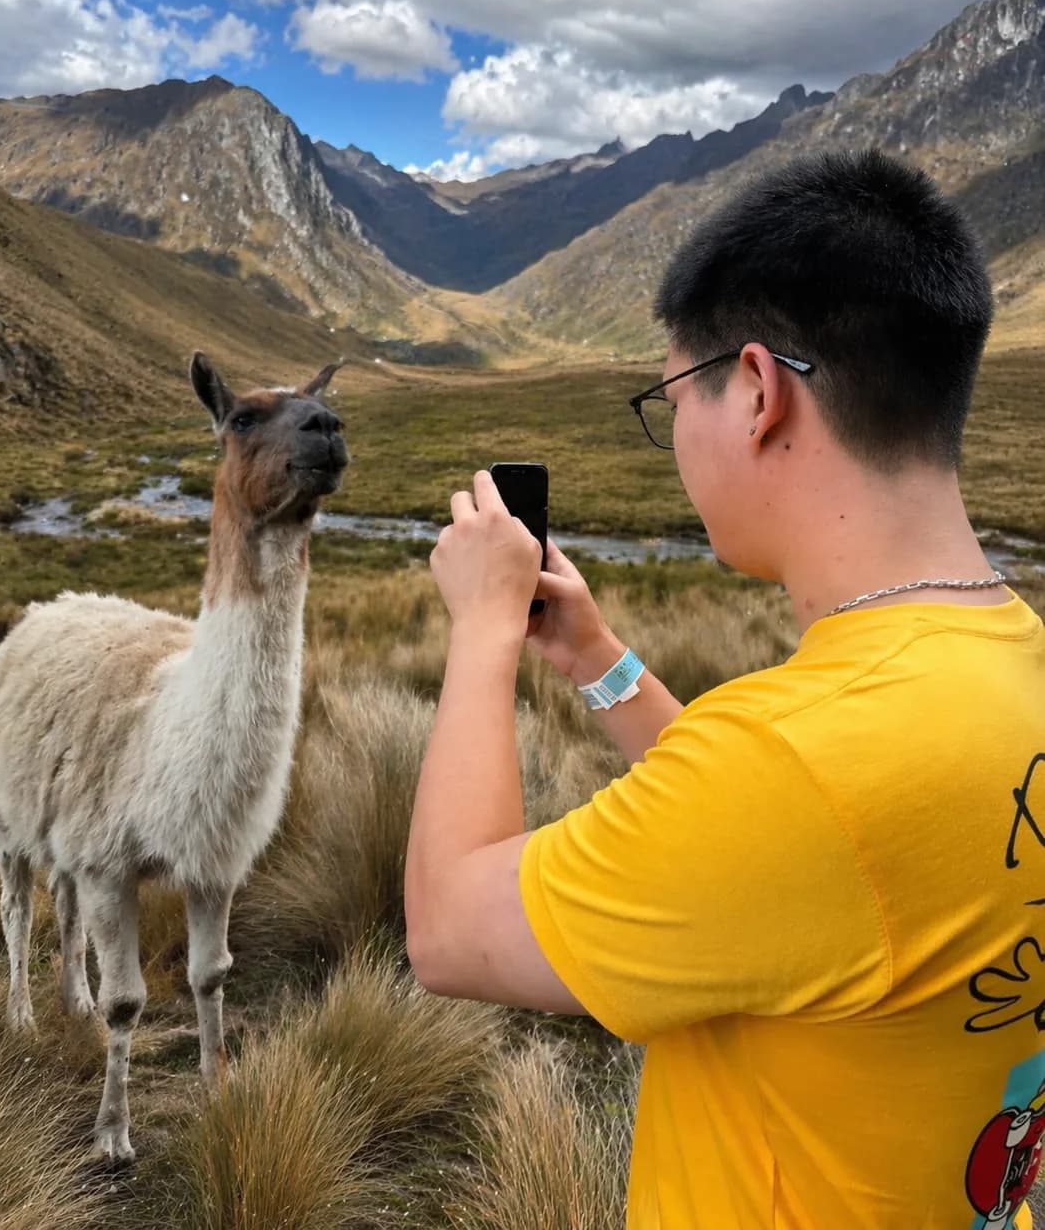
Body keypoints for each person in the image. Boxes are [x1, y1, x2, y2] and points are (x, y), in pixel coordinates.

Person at [403, 147, 1045, 1230]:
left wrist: (481, 630)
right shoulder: (1008, 661)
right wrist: (596, 657)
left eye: (673, 393)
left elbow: (449, 929)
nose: (675, 439)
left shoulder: (800, 762)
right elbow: (810, 863)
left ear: (756, 391)